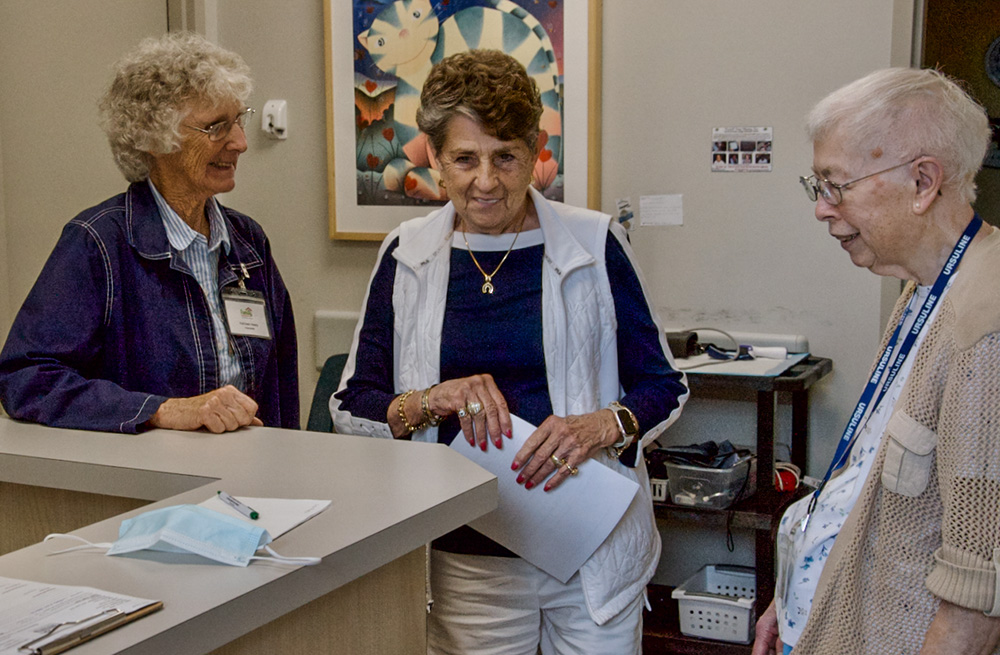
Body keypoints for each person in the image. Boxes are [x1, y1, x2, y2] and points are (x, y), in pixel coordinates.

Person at [331, 49, 688, 654]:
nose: (486, 181)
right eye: (464, 160)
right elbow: (351, 405)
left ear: (535, 151)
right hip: (466, 563)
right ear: (436, 159)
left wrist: (605, 424)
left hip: (589, 553)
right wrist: (431, 400)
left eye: (506, 158)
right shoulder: (407, 254)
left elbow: (664, 385)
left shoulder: (596, 243)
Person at [752, 68, 1000, 655]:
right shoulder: (922, 289)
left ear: (922, 181)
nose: (822, 209)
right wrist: (792, 603)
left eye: (836, 185)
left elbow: (976, 606)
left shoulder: (986, 327)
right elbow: (862, 480)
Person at [0, 33, 298, 434]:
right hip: (147, 484)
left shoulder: (247, 242)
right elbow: (26, 377)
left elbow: (280, 389)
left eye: (239, 119)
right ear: (154, 139)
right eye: (216, 127)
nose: (241, 142)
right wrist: (159, 410)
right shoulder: (99, 243)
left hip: (247, 480)